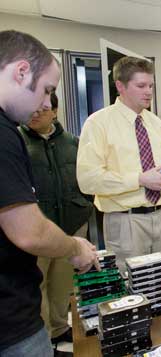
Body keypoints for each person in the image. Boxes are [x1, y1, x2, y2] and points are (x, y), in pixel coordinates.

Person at [0, 30, 98, 357]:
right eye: (47, 90)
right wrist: (74, 247)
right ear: (21, 71)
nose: (46, 103)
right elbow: (27, 232)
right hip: (11, 325)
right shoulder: (6, 137)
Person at [77, 56, 161, 273]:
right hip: (126, 222)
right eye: (141, 85)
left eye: (151, 85)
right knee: (133, 293)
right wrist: (140, 179)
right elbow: (88, 180)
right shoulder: (98, 123)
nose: (149, 92)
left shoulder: (156, 123)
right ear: (120, 86)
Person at [19, 92, 94, 351]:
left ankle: (61, 329)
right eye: (33, 109)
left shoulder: (74, 143)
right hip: (37, 228)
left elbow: (88, 180)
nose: (36, 113)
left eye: (43, 109)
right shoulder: (16, 141)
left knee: (62, 284)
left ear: (55, 111)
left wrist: (83, 208)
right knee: (35, 284)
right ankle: (43, 335)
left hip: (71, 226)